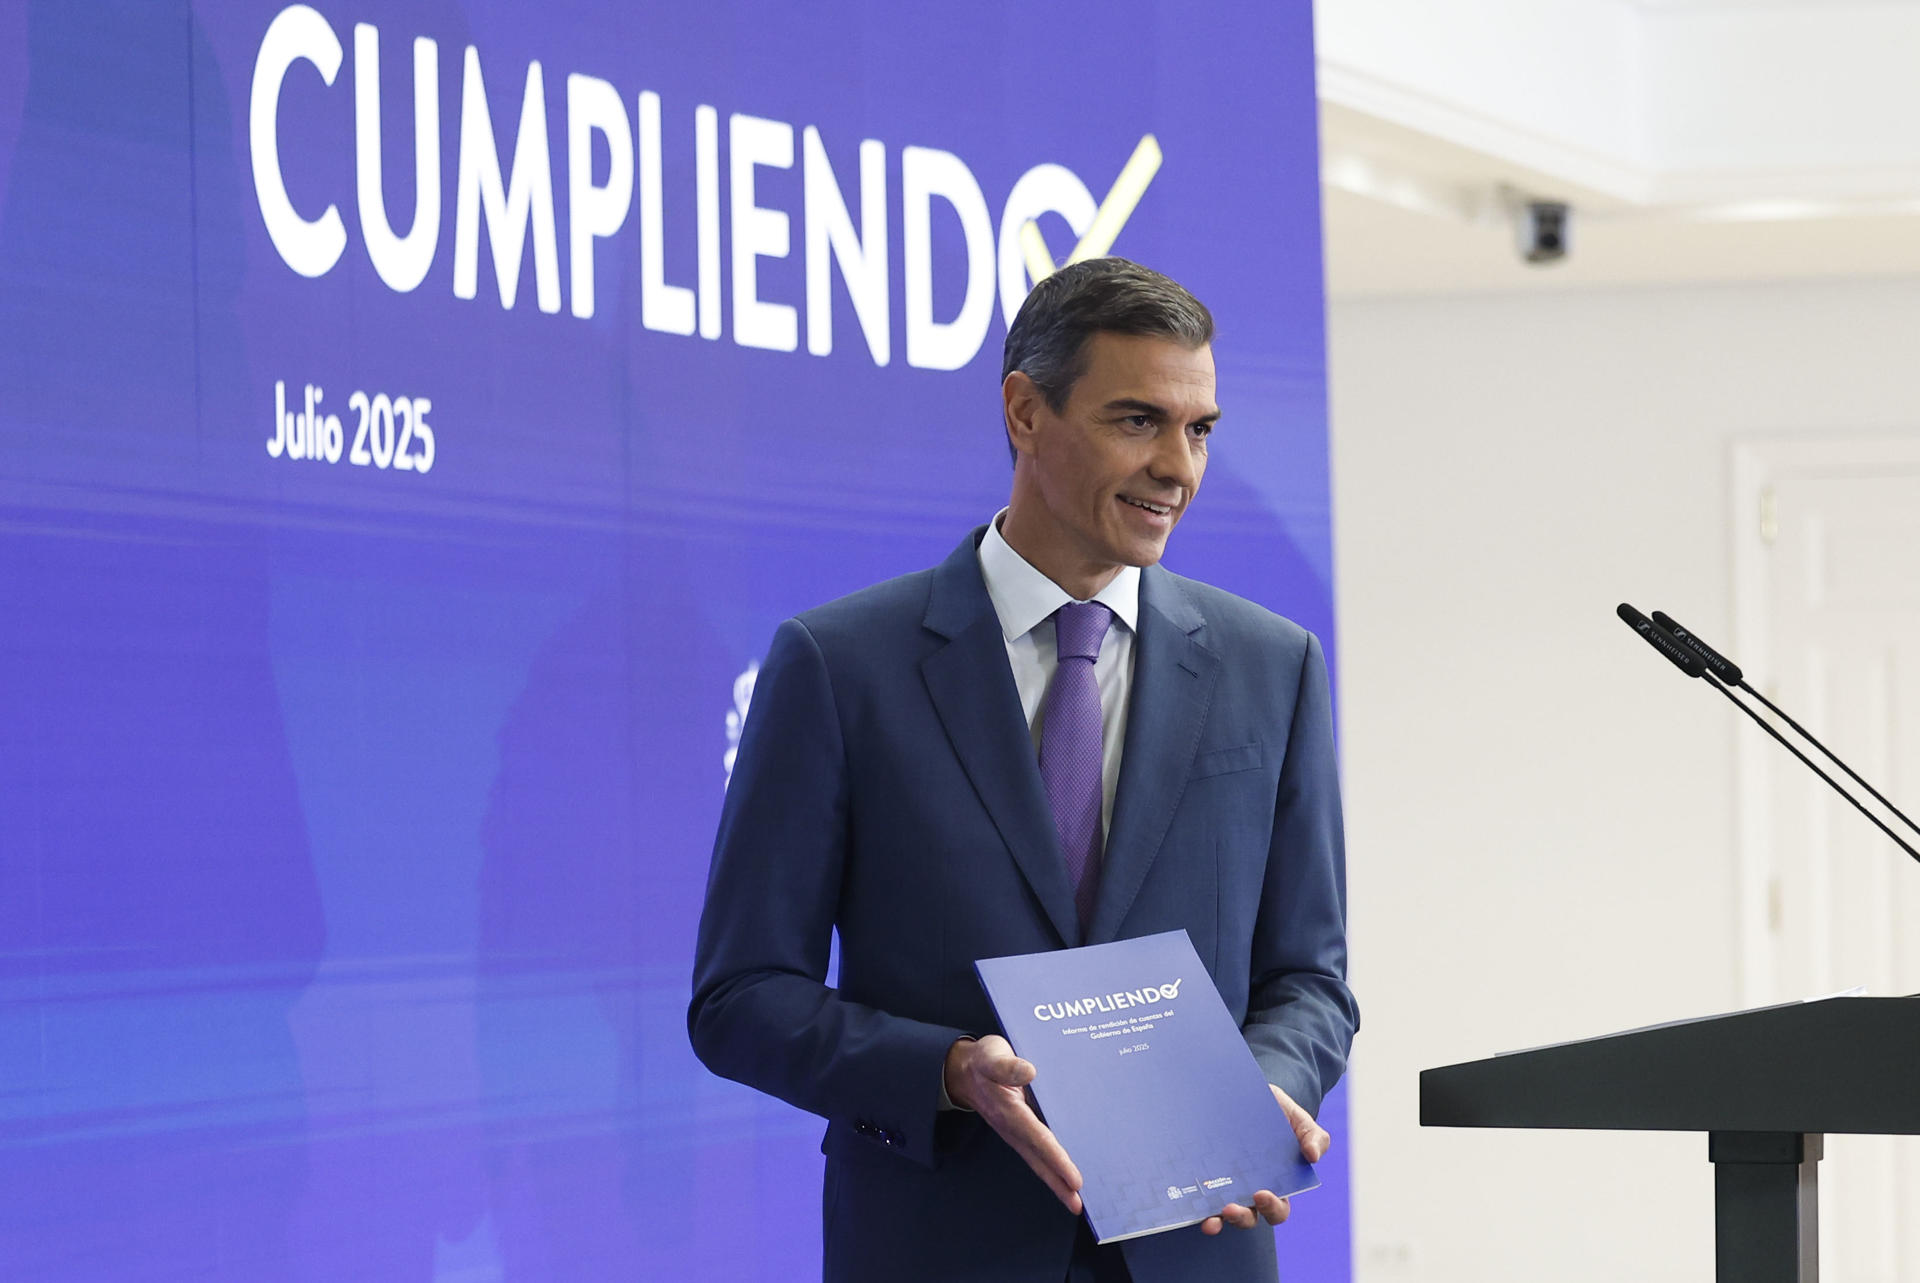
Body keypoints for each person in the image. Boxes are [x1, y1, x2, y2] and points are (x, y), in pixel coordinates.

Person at [689, 257, 1357, 1283]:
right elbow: (740, 997)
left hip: (1199, 1247)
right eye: (1138, 420)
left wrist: (1261, 1086)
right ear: (1024, 412)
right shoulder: (841, 665)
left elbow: (1311, 979)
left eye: (1199, 429)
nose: (1177, 467)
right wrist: (948, 1070)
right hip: (939, 1247)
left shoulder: (1273, 666)